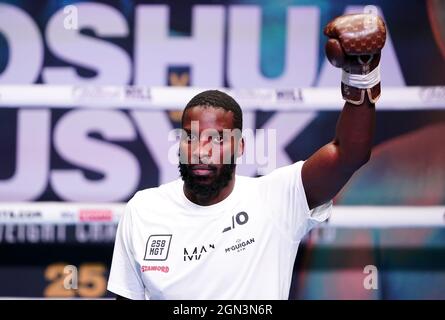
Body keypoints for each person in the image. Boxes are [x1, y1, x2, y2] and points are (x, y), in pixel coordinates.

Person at [107, 12, 386, 300]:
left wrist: (361, 78)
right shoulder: (144, 209)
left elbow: (348, 155)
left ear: (239, 147)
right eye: (191, 138)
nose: (202, 151)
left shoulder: (276, 198)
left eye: (216, 140)